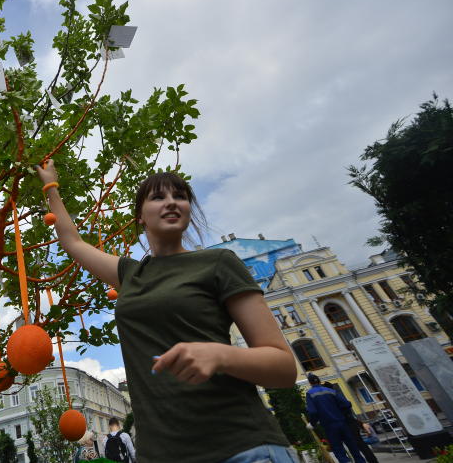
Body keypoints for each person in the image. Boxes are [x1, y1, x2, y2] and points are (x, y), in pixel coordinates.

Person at [36, 164, 298, 463]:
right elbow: (73, 242)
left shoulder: (219, 263)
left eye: (180, 195)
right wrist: (51, 187)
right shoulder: (130, 274)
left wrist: (220, 355)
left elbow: (284, 368)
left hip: (241, 448)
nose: (172, 201)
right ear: (140, 217)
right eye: (158, 197)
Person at [306, 374, 365, 463]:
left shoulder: (310, 394)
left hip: (329, 426)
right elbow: (346, 404)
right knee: (353, 447)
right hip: (342, 423)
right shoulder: (331, 391)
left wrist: (312, 423)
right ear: (319, 380)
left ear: (310, 383)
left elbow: (313, 412)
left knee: (339, 450)